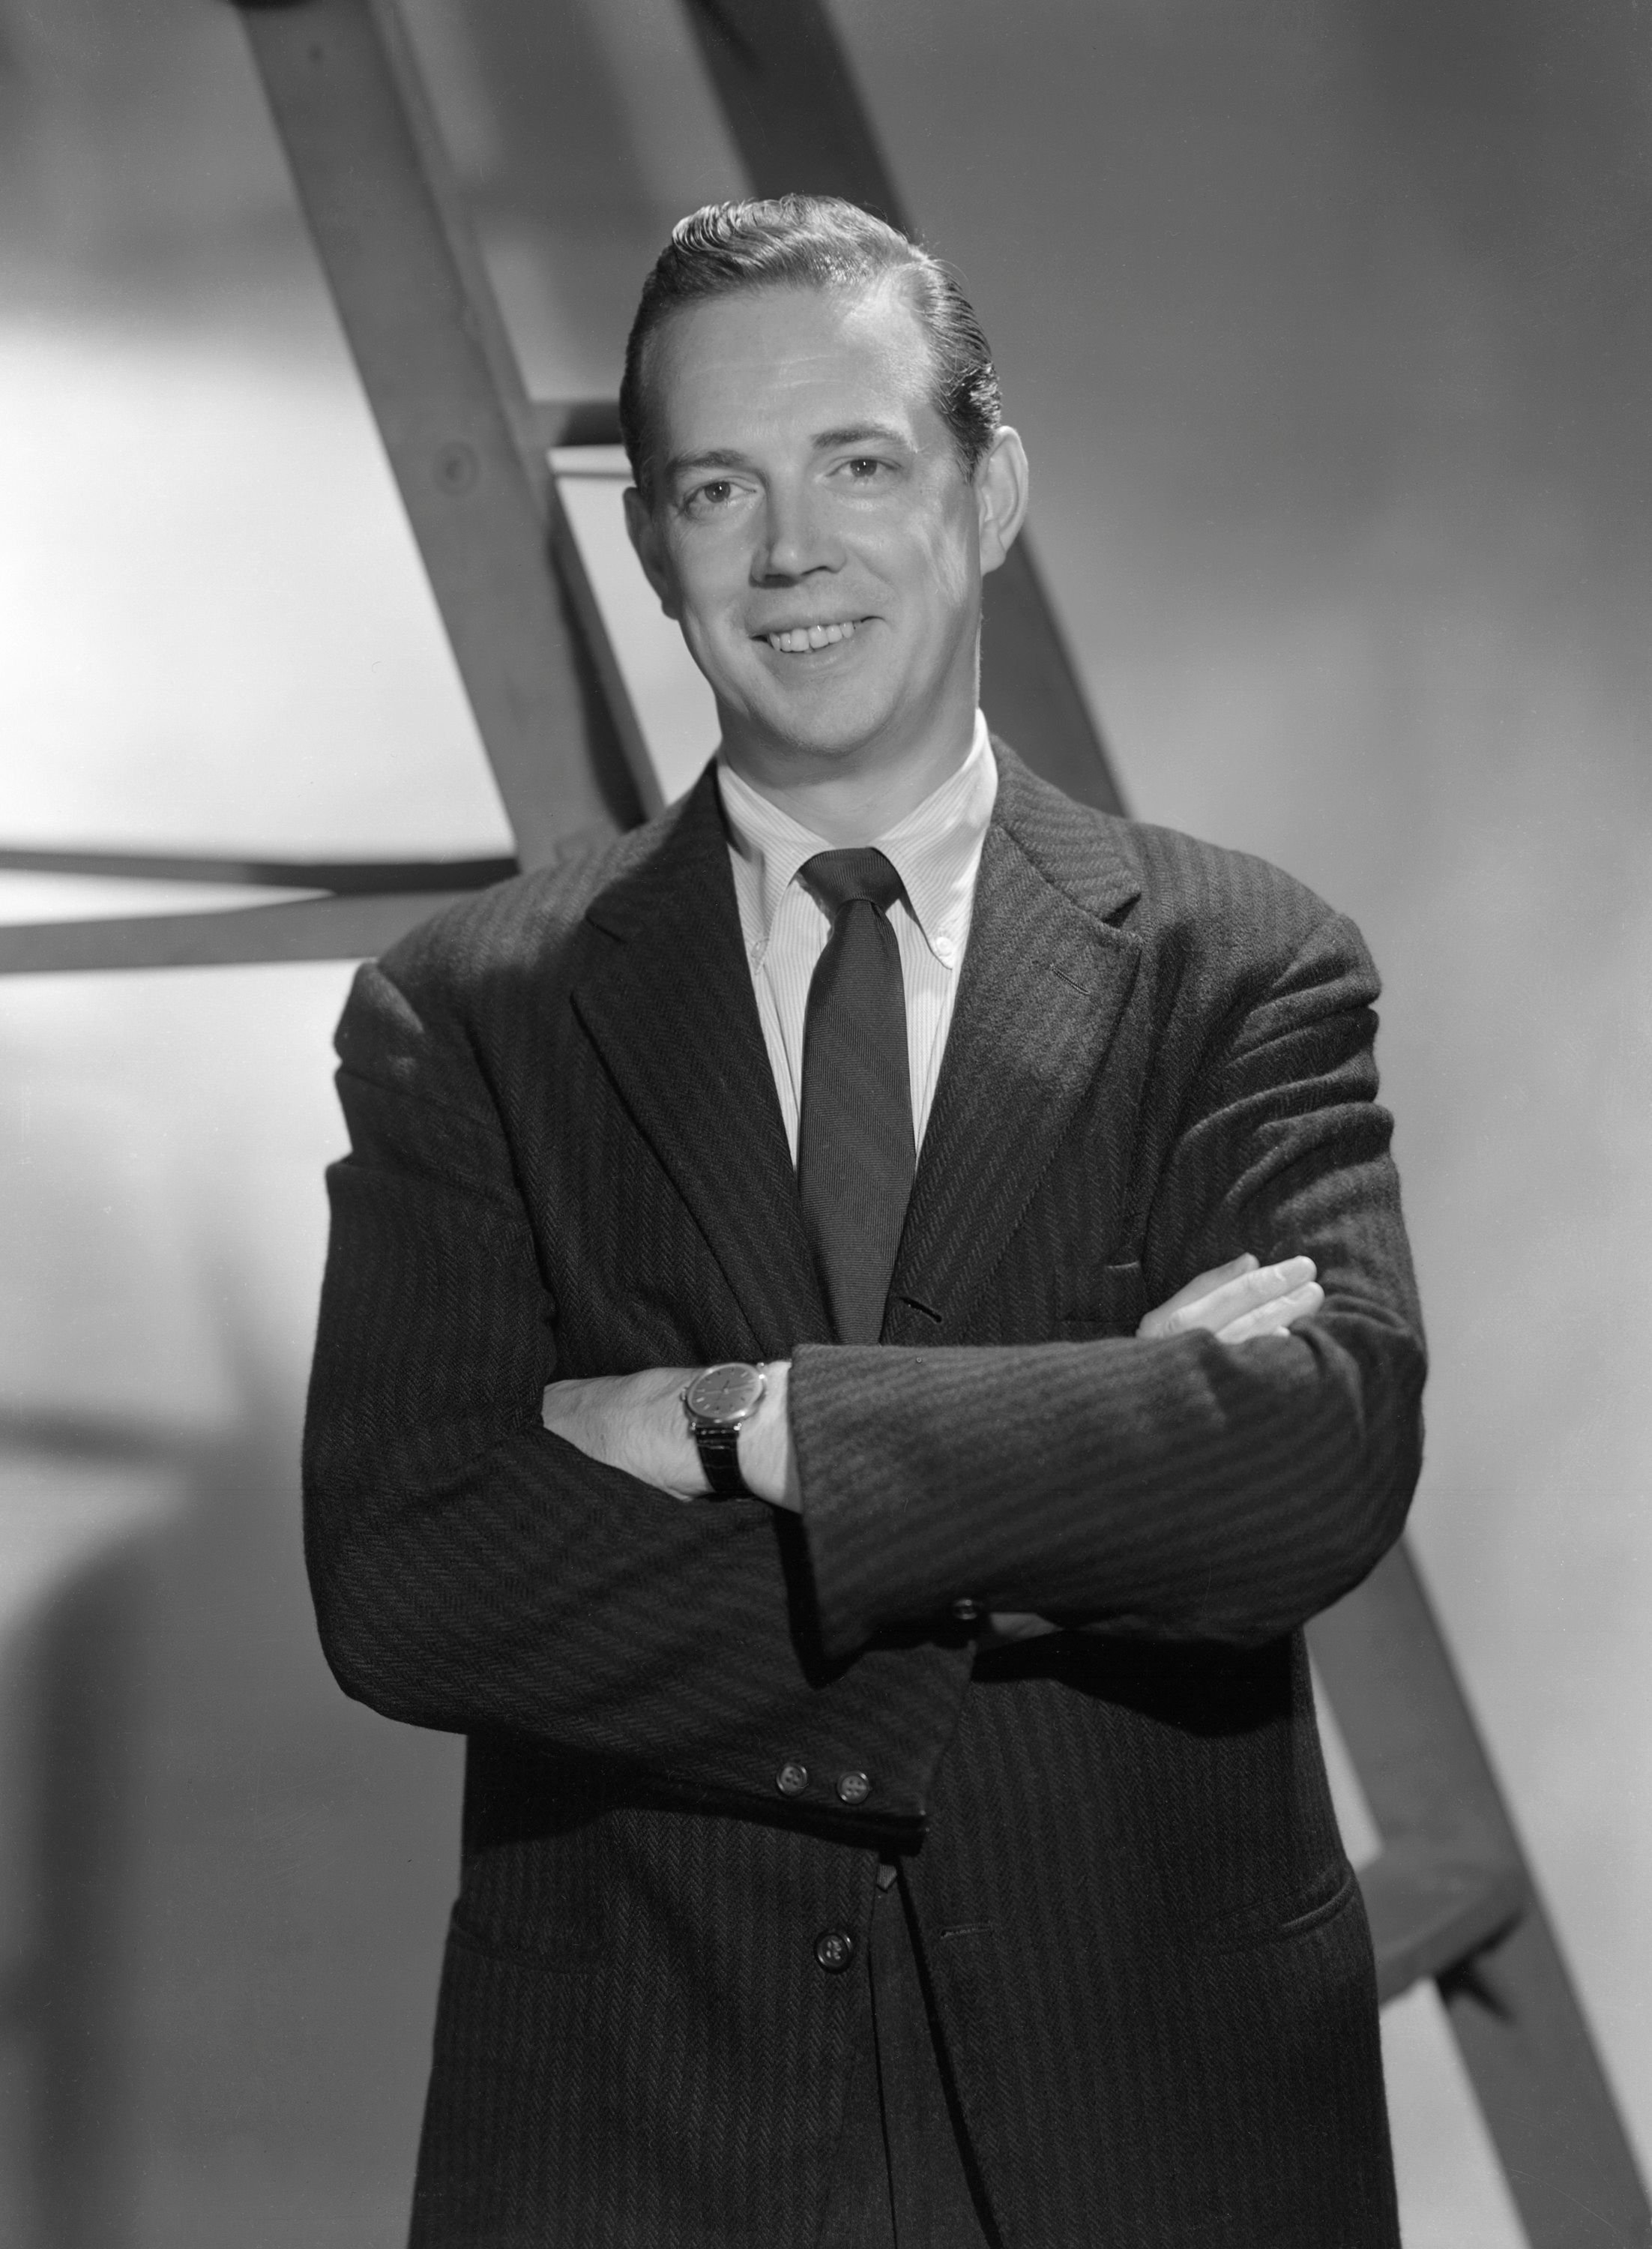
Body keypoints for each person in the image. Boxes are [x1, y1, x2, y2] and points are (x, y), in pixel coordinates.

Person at [303, 195, 1425, 2248]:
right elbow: (407, 1577)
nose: (790, 552)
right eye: (718, 488)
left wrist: (748, 1431)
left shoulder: (1239, 966)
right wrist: (1087, 1455)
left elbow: (1311, 1467)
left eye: (860, 464)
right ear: (651, 545)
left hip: (1155, 2115)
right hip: (644, 2125)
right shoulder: (465, 1012)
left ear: (987, 490)